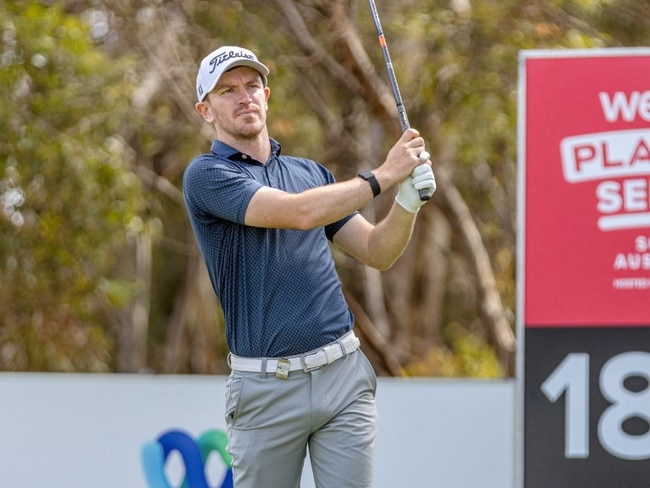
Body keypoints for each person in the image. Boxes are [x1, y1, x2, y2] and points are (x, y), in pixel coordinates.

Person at [183, 45, 436, 488]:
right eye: (227, 91)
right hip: (265, 390)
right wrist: (384, 176)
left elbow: (378, 251)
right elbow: (299, 214)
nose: (244, 97)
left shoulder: (309, 174)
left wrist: (407, 202)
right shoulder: (206, 177)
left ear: (267, 95)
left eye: (252, 86)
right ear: (206, 110)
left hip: (343, 377)